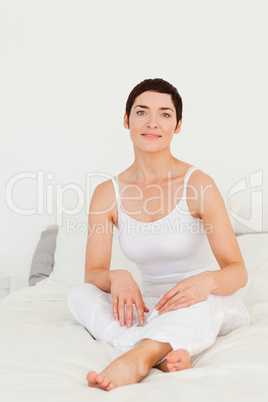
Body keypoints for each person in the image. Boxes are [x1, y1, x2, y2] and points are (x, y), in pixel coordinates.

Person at [67, 78, 250, 391]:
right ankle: (166, 352)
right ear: (126, 120)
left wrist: (206, 281)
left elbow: (238, 272)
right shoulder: (106, 193)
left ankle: (141, 356)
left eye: (165, 114)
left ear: (177, 126)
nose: (153, 122)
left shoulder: (199, 185)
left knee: (199, 308)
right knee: (78, 295)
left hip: (202, 300)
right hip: (150, 305)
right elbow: (92, 272)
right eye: (142, 112)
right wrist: (117, 276)